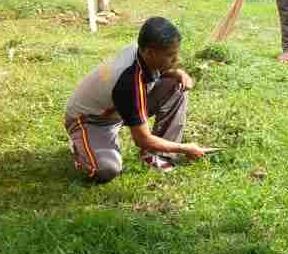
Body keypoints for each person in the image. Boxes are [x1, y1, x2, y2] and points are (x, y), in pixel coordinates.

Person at [65, 17, 209, 182]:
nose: (175, 60)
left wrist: (178, 73)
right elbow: (142, 139)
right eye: (170, 55)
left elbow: (161, 69)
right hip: (90, 120)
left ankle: (158, 155)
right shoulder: (128, 82)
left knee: (176, 86)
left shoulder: (141, 51)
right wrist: (185, 148)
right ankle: (81, 144)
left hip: (117, 110)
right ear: (149, 52)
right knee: (106, 170)